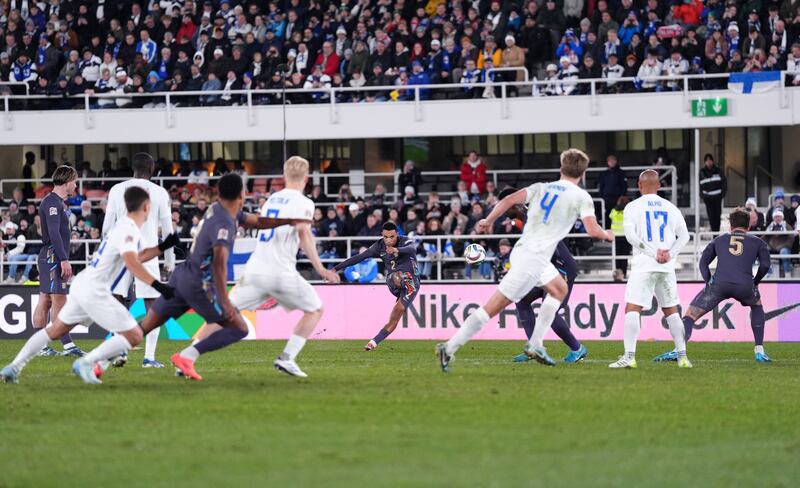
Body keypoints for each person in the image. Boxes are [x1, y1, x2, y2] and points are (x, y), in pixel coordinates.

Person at [437, 149, 613, 371]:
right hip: (532, 257)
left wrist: (487, 219)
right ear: (583, 173)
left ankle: (535, 344)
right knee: (493, 307)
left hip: (532, 255)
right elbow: (592, 230)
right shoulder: (582, 197)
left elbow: (510, 199)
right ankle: (450, 347)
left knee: (559, 289)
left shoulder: (541, 188)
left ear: (561, 168)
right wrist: (607, 235)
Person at [124, 174, 306, 381]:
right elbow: (219, 263)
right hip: (198, 284)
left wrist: (288, 221)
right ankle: (186, 356)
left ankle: (96, 361)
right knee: (239, 328)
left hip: (182, 277)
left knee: (145, 326)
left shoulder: (220, 210)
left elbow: (258, 221)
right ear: (242, 195)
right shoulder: (225, 223)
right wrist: (224, 299)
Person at [1, 187, 179, 384]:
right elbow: (132, 262)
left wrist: (162, 247)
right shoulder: (129, 231)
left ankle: (13, 367)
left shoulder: (123, 227)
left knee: (55, 330)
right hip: (96, 291)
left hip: (83, 284)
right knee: (134, 335)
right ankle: (87, 362)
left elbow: (137, 256)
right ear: (146, 207)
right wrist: (159, 285)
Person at [195, 157, 340, 378]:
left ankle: (187, 356)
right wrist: (321, 269)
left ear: (284, 175)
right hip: (281, 272)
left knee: (224, 315)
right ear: (307, 177)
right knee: (315, 309)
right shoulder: (304, 203)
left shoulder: (272, 199)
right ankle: (287, 358)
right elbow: (304, 235)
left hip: (254, 270)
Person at [653, 208, 772, 364]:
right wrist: (755, 282)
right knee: (757, 307)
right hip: (745, 285)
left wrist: (708, 281)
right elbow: (765, 266)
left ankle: (678, 350)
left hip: (719, 285)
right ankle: (759, 351)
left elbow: (703, 263)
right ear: (749, 226)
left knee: (690, 315)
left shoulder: (719, 240)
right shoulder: (759, 242)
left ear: (730, 226)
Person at [494, 187, 589, 364]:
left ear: (513, 203)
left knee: (549, 313)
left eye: (504, 205)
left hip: (562, 268)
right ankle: (534, 347)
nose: (502, 210)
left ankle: (577, 349)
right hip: (548, 268)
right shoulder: (527, 217)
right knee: (522, 301)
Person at [609, 170, 691, 369]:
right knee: (671, 311)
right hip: (666, 266)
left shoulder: (632, 206)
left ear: (639, 185)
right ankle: (682, 357)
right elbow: (685, 236)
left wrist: (653, 252)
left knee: (632, 309)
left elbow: (630, 237)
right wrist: (669, 254)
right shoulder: (671, 207)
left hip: (644, 265)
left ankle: (629, 357)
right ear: (659, 186)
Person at [102, 153, 175, 368]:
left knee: (118, 301)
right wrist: (170, 262)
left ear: (132, 168)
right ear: (151, 169)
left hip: (121, 253)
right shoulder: (160, 193)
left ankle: (120, 350)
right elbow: (169, 231)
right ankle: (149, 358)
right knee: (154, 305)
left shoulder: (116, 190)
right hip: (148, 255)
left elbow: (107, 228)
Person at [332, 221, 421, 351]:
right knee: (397, 276)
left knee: (397, 314)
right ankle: (402, 286)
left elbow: (412, 249)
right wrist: (335, 269)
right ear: (382, 235)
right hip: (394, 280)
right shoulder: (379, 246)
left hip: (413, 283)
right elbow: (359, 257)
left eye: (391, 237)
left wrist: (397, 249)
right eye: (385, 237)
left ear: (397, 234)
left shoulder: (405, 241)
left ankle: (373, 342)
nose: (388, 240)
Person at [32, 166, 84, 357]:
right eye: (75, 181)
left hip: (49, 255)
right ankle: (68, 346)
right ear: (67, 181)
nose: (76, 185)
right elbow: (54, 233)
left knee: (45, 300)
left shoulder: (53, 202)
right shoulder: (53, 203)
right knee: (59, 300)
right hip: (53, 256)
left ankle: (40, 346)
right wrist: (64, 260)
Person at [597, 154, 627, 227]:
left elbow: (624, 185)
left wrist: (622, 196)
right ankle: (607, 231)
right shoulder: (604, 174)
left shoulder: (621, 173)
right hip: (606, 198)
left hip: (618, 198)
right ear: (607, 162)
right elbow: (601, 186)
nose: (612, 162)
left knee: (618, 215)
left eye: (613, 160)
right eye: (610, 161)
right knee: (607, 216)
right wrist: (601, 197)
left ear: (616, 161)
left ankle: (619, 234)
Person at [700, 153, 726, 232]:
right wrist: (703, 196)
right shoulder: (702, 172)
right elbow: (700, 185)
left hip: (717, 197)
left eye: (710, 160)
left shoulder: (718, 170)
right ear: (705, 162)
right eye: (707, 160)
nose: (709, 162)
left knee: (717, 215)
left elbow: (724, 182)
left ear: (713, 161)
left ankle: (716, 233)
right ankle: (714, 233)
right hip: (708, 198)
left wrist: (722, 194)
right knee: (711, 216)